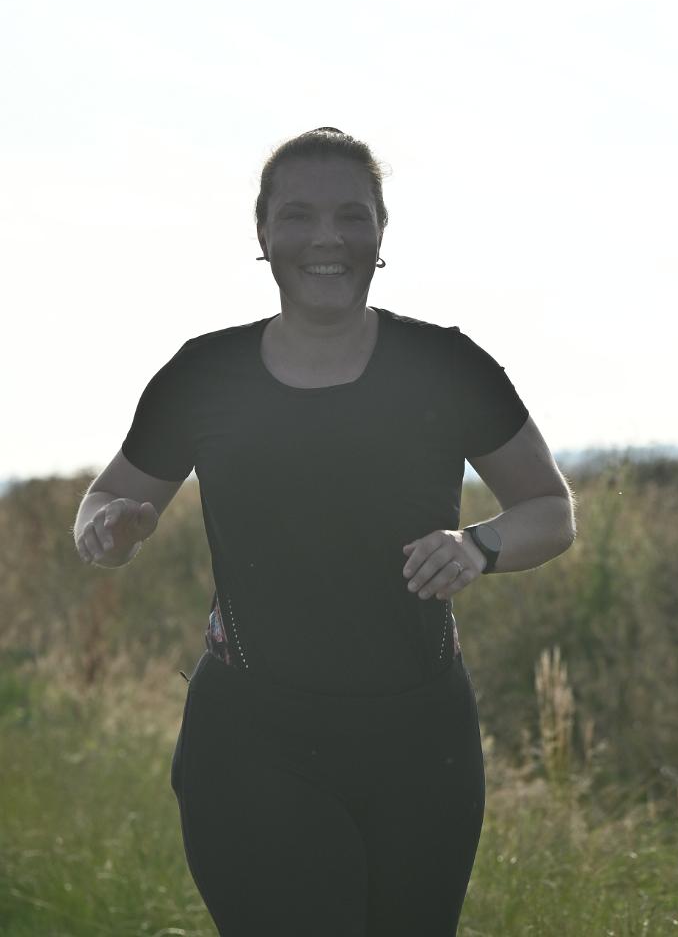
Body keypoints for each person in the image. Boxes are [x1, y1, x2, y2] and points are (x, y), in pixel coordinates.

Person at [74, 126, 576, 936]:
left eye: (351, 215)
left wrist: (477, 546)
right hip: (250, 739)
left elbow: (550, 510)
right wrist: (109, 528)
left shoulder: (446, 365)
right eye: (299, 216)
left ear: (381, 232)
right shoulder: (204, 374)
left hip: (422, 740)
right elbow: (105, 500)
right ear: (263, 233)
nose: (327, 238)